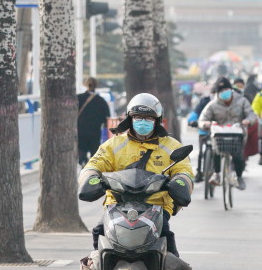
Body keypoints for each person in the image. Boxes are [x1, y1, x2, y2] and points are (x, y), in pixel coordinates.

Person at [78, 93, 192, 257]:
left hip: (156, 207)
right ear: (130, 119)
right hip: (117, 205)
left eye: (148, 118)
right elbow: (94, 165)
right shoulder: (113, 144)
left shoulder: (171, 146)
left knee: (169, 249)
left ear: (158, 120)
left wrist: (181, 181)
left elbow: (184, 171)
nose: (143, 122)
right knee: (99, 233)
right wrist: (90, 178)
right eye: (138, 117)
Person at [199, 77, 257, 190]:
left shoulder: (242, 101)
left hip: (237, 134)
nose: (224, 93)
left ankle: (239, 177)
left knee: (239, 156)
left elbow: (251, 114)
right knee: (215, 150)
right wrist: (205, 124)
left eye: (226, 89)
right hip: (219, 135)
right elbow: (203, 119)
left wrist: (248, 121)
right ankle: (217, 174)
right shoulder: (212, 105)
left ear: (231, 89)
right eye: (221, 91)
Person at [76, 76, 112, 166]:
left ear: (85, 85)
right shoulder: (101, 101)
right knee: (94, 152)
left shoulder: (78, 98)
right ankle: (91, 167)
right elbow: (107, 117)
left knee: (81, 149)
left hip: (80, 131)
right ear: (96, 86)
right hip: (95, 132)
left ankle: (83, 162)